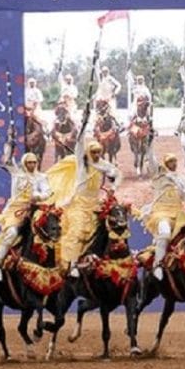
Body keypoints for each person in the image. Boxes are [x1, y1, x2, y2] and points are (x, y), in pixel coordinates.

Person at [46, 109, 122, 277]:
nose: (96, 155)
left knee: (110, 228)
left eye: (98, 152)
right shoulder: (82, 162)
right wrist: (85, 122)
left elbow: (118, 175)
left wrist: (113, 188)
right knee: (77, 231)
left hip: (95, 205)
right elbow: (80, 142)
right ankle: (72, 265)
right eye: (93, 152)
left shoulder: (103, 164)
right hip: (78, 204)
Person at [0, 146, 52, 281]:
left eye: (34, 162)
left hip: (35, 208)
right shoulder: (17, 173)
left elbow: (47, 191)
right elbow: (7, 160)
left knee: (51, 230)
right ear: (24, 163)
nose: (32, 165)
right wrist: (10, 143)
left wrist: (39, 196)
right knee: (12, 233)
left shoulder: (42, 177)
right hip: (16, 209)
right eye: (29, 162)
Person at [139, 134, 185, 280]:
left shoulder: (181, 178)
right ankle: (158, 264)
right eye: (170, 162)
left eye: (175, 161)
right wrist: (149, 141)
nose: (174, 164)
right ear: (165, 163)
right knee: (164, 232)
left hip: (179, 214)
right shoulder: (158, 174)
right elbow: (151, 158)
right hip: (161, 213)